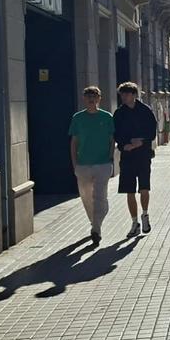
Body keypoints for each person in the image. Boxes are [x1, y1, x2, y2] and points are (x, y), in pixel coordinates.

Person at [69, 86, 115, 245]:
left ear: (99, 99)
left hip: (103, 164)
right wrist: (74, 164)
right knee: (86, 197)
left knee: (100, 196)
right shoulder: (77, 118)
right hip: (83, 165)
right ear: (84, 99)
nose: (91, 99)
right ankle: (94, 222)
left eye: (94, 96)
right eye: (88, 97)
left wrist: (110, 158)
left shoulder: (107, 117)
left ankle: (96, 228)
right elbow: (74, 142)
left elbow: (112, 139)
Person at [114, 81, 158, 238]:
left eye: (126, 94)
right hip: (127, 156)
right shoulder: (119, 113)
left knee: (144, 187)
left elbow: (152, 131)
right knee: (129, 190)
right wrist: (124, 145)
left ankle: (145, 215)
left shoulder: (145, 111)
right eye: (122, 95)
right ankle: (134, 223)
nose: (124, 97)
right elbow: (116, 133)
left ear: (133, 95)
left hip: (143, 155)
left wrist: (142, 141)